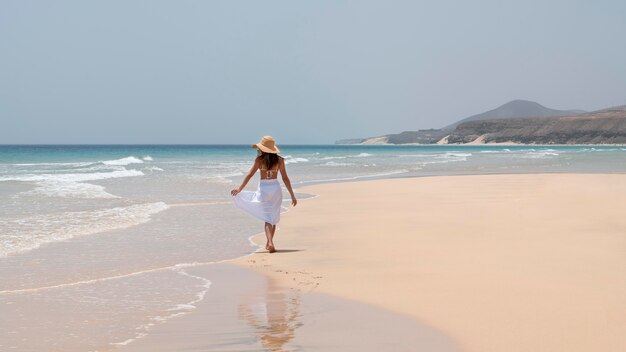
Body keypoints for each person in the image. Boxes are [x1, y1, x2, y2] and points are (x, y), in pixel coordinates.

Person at [231, 136, 297, 253]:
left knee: (267, 218)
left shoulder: (259, 160)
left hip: (264, 189)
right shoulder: (280, 160)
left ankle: (269, 243)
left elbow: (249, 175)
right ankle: (270, 243)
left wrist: (239, 189)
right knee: (274, 217)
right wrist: (292, 194)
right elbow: (285, 178)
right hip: (276, 189)